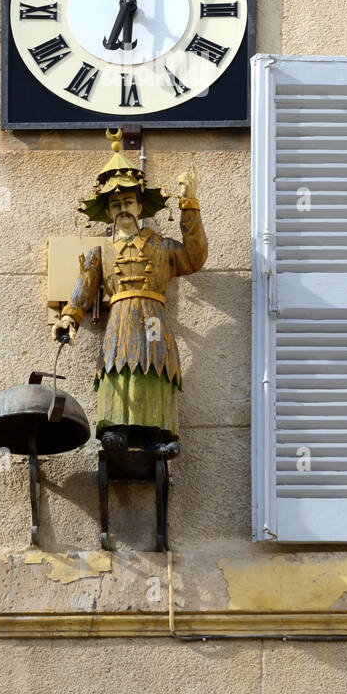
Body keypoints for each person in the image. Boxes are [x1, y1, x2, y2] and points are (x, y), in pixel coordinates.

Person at [51, 129, 207, 456]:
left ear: (139, 207)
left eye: (128, 202)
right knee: (118, 363)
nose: (123, 209)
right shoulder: (100, 253)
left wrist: (189, 205)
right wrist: (69, 319)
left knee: (153, 363)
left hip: (153, 316)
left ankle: (156, 433)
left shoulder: (162, 247)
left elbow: (195, 258)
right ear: (109, 213)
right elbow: (83, 290)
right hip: (120, 316)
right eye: (116, 204)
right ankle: (115, 427)